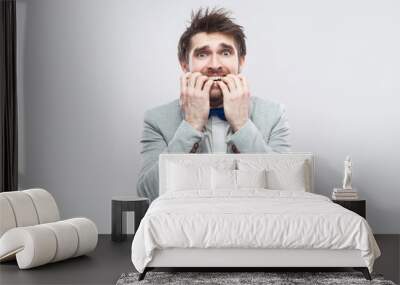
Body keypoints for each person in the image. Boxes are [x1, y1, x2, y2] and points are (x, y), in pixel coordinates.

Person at [137, 8, 291, 201]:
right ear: (185, 65)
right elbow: (148, 193)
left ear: (241, 61)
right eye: (202, 54)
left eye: (225, 52)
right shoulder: (157, 120)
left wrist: (242, 125)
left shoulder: (273, 114)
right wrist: (192, 124)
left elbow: (285, 189)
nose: (215, 64)